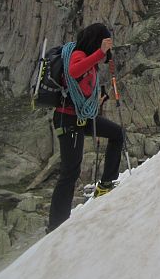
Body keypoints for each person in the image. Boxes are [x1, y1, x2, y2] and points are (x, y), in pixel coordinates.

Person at [47, 23, 124, 233]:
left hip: (81, 117)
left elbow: (84, 85)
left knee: (117, 133)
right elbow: (73, 71)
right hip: (68, 119)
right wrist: (100, 53)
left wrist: (99, 97)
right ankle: (56, 227)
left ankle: (106, 182)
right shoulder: (78, 54)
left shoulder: (90, 61)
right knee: (70, 172)